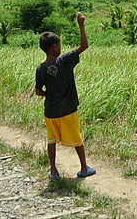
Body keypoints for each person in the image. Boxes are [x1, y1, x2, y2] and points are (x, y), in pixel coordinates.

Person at [35, 12, 95, 179]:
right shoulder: (65, 60)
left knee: (52, 141)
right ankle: (84, 169)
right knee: (77, 138)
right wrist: (81, 25)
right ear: (54, 46)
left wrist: (50, 94)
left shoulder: (40, 68)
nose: (61, 47)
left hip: (51, 111)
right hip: (68, 108)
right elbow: (84, 45)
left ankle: (53, 171)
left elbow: (39, 91)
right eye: (59, 44)